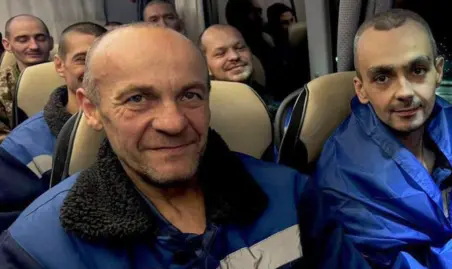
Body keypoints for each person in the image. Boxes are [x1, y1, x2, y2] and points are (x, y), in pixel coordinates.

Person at [0, 23, 309, 268]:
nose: (173, 123)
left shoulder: (292, 197)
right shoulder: (37, 249)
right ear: (92, 109)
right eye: (137, 99)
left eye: (190, 95)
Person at [301, 9, 452, 268]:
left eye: (417, 70)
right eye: (383, 78)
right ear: (361, 89)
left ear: (438, 72)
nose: (404, 92)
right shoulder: (342, 176)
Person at [0, 22, 106, 231]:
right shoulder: (22, 148)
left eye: (105, 59)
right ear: (59, 66)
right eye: (82, 60)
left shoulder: (140, 125)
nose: (96, 70)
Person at [0, 15, 53, 142]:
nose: (34, 46)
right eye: (23, 40)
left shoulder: (70, 76)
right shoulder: (2, 85)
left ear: (50, 42)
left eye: (40, 39)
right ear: (7, 45)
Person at [198, 25, 266, 99]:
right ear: (205, 65)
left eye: (240, 48)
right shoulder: (204, 105)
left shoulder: (269, 98)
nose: (234, 56)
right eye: (221, 53)